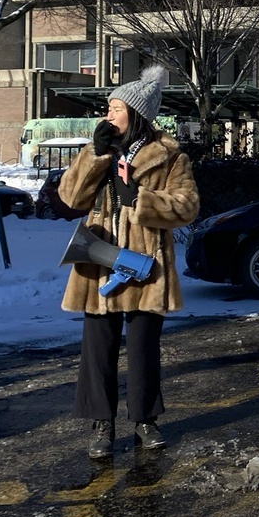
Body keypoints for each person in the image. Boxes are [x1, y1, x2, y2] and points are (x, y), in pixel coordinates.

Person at [58, 66, 200, 459]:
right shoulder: (99, 149)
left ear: (136, 114)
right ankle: (101, 423)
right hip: (98, 259)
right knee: (97, 350)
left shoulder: (170, 156)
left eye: (116, 108)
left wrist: (141, 201)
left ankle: (145, 420)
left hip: (146, 265)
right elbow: (70, 197)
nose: (109, 115)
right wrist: (95, 156)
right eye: (108, 108)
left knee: (143, 349)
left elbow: (188, 206)